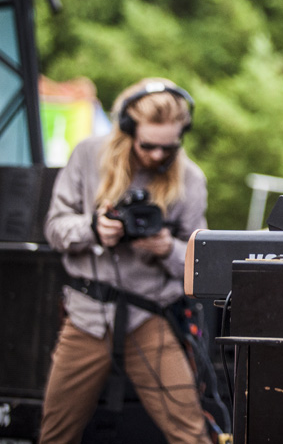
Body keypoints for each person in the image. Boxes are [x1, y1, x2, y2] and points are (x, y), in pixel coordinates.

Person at [40, 78, 211, 444]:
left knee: (191, 433)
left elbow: (200, 264)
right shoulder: (88, 155)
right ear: (128, 130)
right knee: (55, 434)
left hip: (150, 316)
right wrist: (93, 228)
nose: (156, 156)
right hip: (86, 315)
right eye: (148, 145)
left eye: (169, 147)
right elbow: (54, 229)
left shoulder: (191, 178)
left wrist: (167, 248)